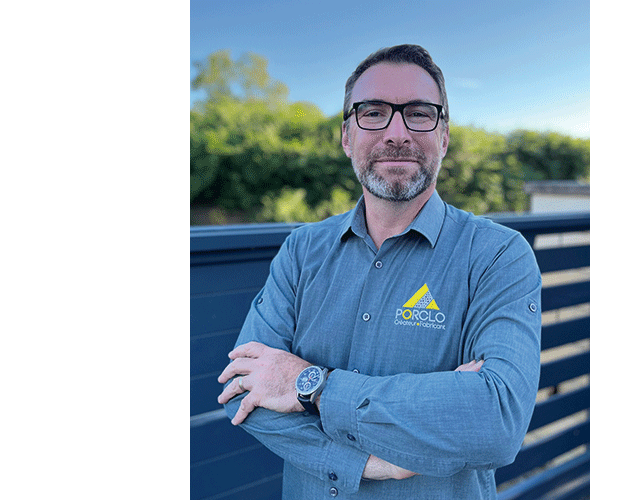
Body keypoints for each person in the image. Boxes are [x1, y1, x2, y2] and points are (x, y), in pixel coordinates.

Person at [218, 44, 542, 499]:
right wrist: (366, 464)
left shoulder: (497, 255)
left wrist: (311, 386)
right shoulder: (301, 251)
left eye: (419, 114)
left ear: (444, 137)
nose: (397, 133)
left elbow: (496, 421)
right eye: (373, 113)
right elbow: (244, 389)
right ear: (346, 136)